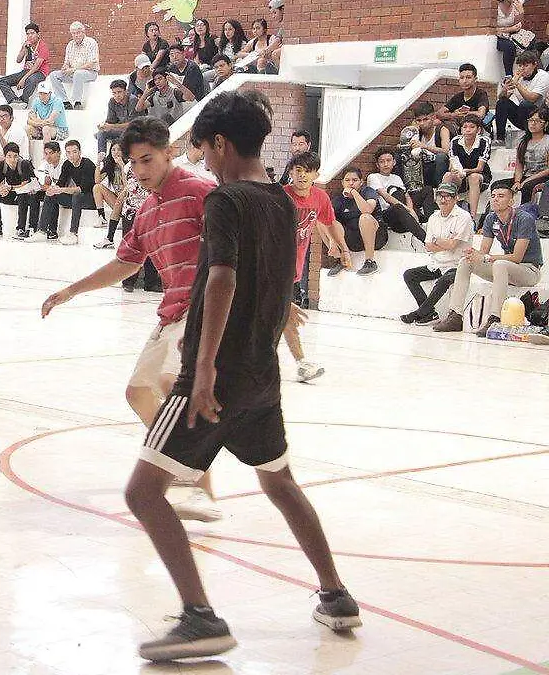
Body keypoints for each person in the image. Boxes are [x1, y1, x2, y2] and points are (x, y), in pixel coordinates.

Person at [120, 92, 360, 661]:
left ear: (220, 144)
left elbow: (221, 280)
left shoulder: (226, 200)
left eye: (202, 150)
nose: (202, 161)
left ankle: (200, 617)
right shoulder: (282, 201)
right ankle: (337, 594)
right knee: (279, 482)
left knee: (143, 493)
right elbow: (282, 287)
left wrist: (200, 369)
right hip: (262, 377)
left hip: (217, 376)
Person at [42, 116, 222, 522]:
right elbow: (125, 263)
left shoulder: (200, 193)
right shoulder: (146, 211)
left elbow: (237, 246)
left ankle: (195, 483)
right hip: (170, 313)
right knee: (139, 392)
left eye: (147, 160)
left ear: (169, 152)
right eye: (134, 163)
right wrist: (71, 290)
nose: (140, 171)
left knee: (175, 389)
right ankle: (183, 466)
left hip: (201, 311)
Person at [432, 180, 544, 335]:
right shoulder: (491, 218)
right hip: (506, 269)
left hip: (529, 270)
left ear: (511, 201)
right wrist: (474, 254)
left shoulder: (524, 218)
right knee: (466, 262)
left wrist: (486, 258)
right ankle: (455, 315)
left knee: (500, 264)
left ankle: (495, 318)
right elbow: (484, 251)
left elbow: (517, 257)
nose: (495, 199)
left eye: (501, 196)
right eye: (493, 196)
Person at [281, 151, 332, 382]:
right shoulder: (280, 197)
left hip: (292, 271)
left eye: (307, 171)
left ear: (316, 174)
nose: (302, 176)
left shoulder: (319, 198)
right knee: (282, 317)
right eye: (298, 170)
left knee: (283, 319)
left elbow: (326, 222)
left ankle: (301, 364)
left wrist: (339, 246)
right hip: (271, 269)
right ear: (290, 173)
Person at [400, 183, 475, 325]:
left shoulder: (463, 217)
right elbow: (428, 246)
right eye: (440, 195)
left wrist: (439, 242)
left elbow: (454, 246)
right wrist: (444, 243)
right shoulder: (433, 217)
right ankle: (429, 314)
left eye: (448, 196)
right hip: (437, 264)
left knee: (444, 280)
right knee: (409, 275)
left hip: (458, 265)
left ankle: (419, 313)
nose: (443, 199)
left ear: (456, 198)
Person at [37, 140, 97, 244]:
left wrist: (60, 189)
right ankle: (41, 231)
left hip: (91, 199)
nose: (71, 155)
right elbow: (60, 183)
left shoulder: (87, 164)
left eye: (74, 152)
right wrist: (53, 189)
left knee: (77, 195)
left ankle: (73, 234)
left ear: (80, 152)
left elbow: (81, 189)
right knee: (51, 195)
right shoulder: (67, 164)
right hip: (76, 200)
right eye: (68, 152)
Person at [327, 167, 384, 276]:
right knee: (323, 221)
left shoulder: (367, 191)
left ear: (361, 182)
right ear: (342, 182)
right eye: (347, 180)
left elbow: (367, 210)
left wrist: (354, 193)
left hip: (376, 237)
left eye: (355, 180)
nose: (351, 183)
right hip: (354, 240)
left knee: (365, 217)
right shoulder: (339, 199)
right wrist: (332, 240)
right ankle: (340, 258)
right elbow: (327, 220)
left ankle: (370, 261)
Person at [367, 147, 426, 242]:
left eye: (388, 160)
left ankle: (431, 224)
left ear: (394, 162)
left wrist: (410, 210)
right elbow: (385, 196)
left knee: (427, 190)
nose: (386, 164)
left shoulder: (397, 178)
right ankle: (426, 240)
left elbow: (406, 196)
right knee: (397, 206)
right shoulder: (373, 177)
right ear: (377, 165)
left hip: (403, 215)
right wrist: (407, 209)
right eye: (382, 162)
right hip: (388, 215)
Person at [494, 51, 549, 145]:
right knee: (502, 102)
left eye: (526, 65)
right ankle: (500, 138)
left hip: (539, 116)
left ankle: (529, 138)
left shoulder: (543, 76)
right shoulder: (517, 78)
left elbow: (532, 99)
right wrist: (505, 89)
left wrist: (517, 84)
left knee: (525, 104)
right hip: (522, 117)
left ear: (534, 64)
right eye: (520, 66)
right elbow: (502, 98)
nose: (522, 69)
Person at [445, 114, 493, 218]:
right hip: (461, 176)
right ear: (461, 129)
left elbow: (479, 168)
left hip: (480, 176)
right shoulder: (455, 141)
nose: (468, 130)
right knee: (447, 175)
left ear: (478, 130)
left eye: (472, 127)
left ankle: (472, 217)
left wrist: (466, 171)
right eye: (465, 127)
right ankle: (445, 212)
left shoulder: (484, 141)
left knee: (474, 177)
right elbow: (452, 164)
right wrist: (455, 171)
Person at [0, 142, 38, 237]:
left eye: (15, 156)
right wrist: (1, 190)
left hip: (26, 193)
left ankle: (21, 228)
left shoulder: (24, 164)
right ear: (5, 156)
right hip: (12, 193)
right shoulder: (1, 165)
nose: (12, 159)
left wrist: (10, 188)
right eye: (9, 156)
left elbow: (25, 184)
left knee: (22, 196)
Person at [49, 21, 100, 109]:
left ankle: (77, 102)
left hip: (90, 73)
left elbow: (92, 63)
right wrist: (65, 67)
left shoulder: (91, 42)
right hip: (73, 73)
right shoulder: (70, 44)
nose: (76, 35)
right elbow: (67, 62)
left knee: (78, 73)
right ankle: (65, 102)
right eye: (73, 33)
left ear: (83, 32)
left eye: (78, 33)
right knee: (53, 75)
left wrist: (73, 69)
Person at [0, 23, 51, 107]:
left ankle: (24, 100)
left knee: (31, 79)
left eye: (32, 33)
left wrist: (23, 79)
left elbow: (36, 67)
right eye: (28, 34)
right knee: (1, 81)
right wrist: (24, 48)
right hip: (26, 71)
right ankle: (14, 100)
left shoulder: (43, 47)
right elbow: (18, 60)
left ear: (38, 34)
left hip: (40, 72)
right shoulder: (27, 45)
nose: (30, 36)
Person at [92, 143, 127, 249]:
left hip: (129, 200)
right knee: (97, 187)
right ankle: (102, 217)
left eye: (119, 150)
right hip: (119, 200)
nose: (116, 152)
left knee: (120, 200)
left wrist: (122, 166)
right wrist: (98, 163)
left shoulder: (129, 164)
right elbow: (97, 180)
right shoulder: (110, 165)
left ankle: (109, 239)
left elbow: (128, 185)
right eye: (113, 150)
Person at [514, 106, 549, 204]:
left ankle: (525, 214)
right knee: (498, 185)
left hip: (543, 177)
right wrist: (517, 181)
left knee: (527, 186)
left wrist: (527, 180)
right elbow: (519, 165)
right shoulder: (523, 141)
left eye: (538, 121)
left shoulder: (547, 141)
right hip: (526, 175)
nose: (533, 124)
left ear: (545, 124)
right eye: (531, 120)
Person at [96, 79, 138, 155]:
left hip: (135, 131)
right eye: (114, 93)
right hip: (121, 130)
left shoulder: (133, 100)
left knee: (123, 136)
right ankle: (101, 158)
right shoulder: (112, 101)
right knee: (101, 133)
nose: (117, 95)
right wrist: (103, 125)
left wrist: (111, 126)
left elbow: (132, 125)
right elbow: (111, 121)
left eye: (119, 92)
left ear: (125, 91)